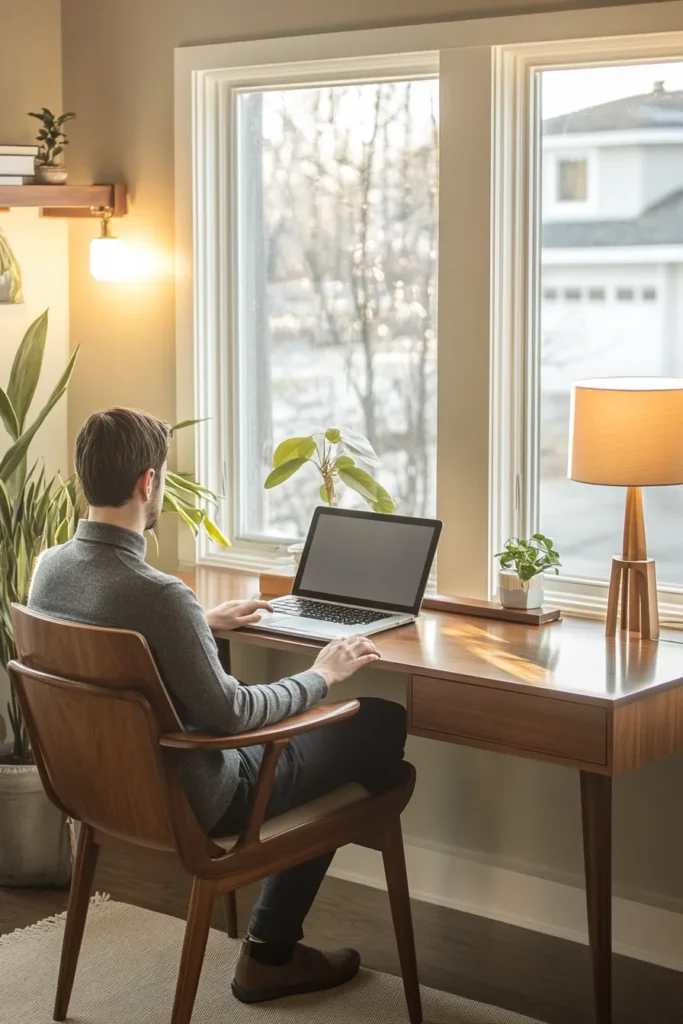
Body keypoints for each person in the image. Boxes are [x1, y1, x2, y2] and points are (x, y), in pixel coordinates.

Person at [28, 407, 409, 1005]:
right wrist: (321, 673)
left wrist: (198, 627)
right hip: (206, 802)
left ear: (84, 478)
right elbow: (230, 714)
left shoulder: (49, 570)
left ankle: (277, 937)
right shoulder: (159, 597)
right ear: (148, 483)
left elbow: (105, 644)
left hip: (98, 793)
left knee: (369, 764)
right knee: (383, 724)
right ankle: (270, 950)